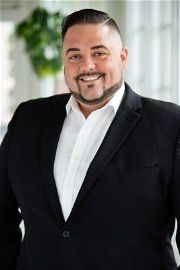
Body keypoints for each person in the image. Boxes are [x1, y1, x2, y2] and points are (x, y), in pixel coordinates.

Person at [0, 8, 180, 270]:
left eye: (99, 52)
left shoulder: (169, 123)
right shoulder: (29, 118)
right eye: (75, 55)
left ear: (123, 57)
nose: (87, 66)